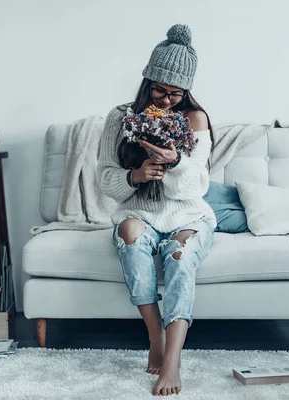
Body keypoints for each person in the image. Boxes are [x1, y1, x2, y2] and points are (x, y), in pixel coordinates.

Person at [98, 24, 216, 396]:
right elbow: (104, 179)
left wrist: (176, 161)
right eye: (160, 91)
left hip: (188, 214)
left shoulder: (195, 120)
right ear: (147, 82)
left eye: (176, 94)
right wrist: (135, 175)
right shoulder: (119, 118)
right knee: (130, 235)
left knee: (179, 256)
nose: (167, 102)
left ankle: (173, 360)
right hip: (141, 213)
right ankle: (155, 336)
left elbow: (198, 186)